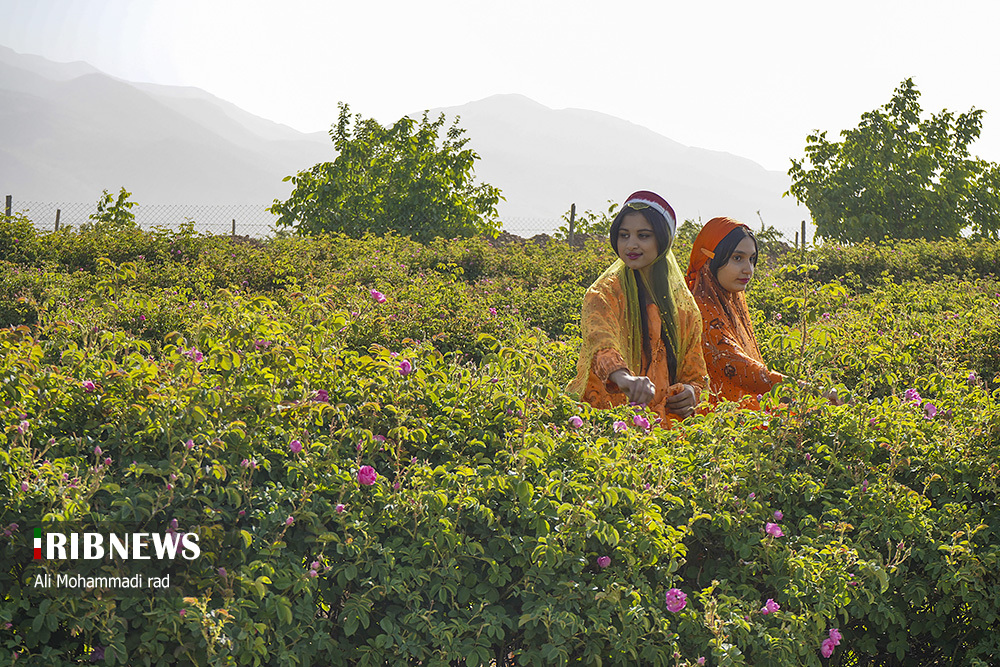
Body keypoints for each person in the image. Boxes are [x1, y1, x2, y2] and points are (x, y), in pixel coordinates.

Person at [567, 190, 708, 426]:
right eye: (624, 235)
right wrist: (625, 379)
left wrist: (692, 393)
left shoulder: (682, 308)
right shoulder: (603, 294)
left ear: (662, 241)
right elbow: (602, 345)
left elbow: (696, 373)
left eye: (643, 235)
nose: (631, 244)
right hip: (607, 417)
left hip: (664, 422)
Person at [684, 217, 781, 410]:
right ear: (709, 259)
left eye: (752, 259)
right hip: (713, 421)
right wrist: (800, 389)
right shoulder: (701, 310)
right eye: (737, 258)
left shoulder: (725, 303)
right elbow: (739, 367)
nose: (749, 270)